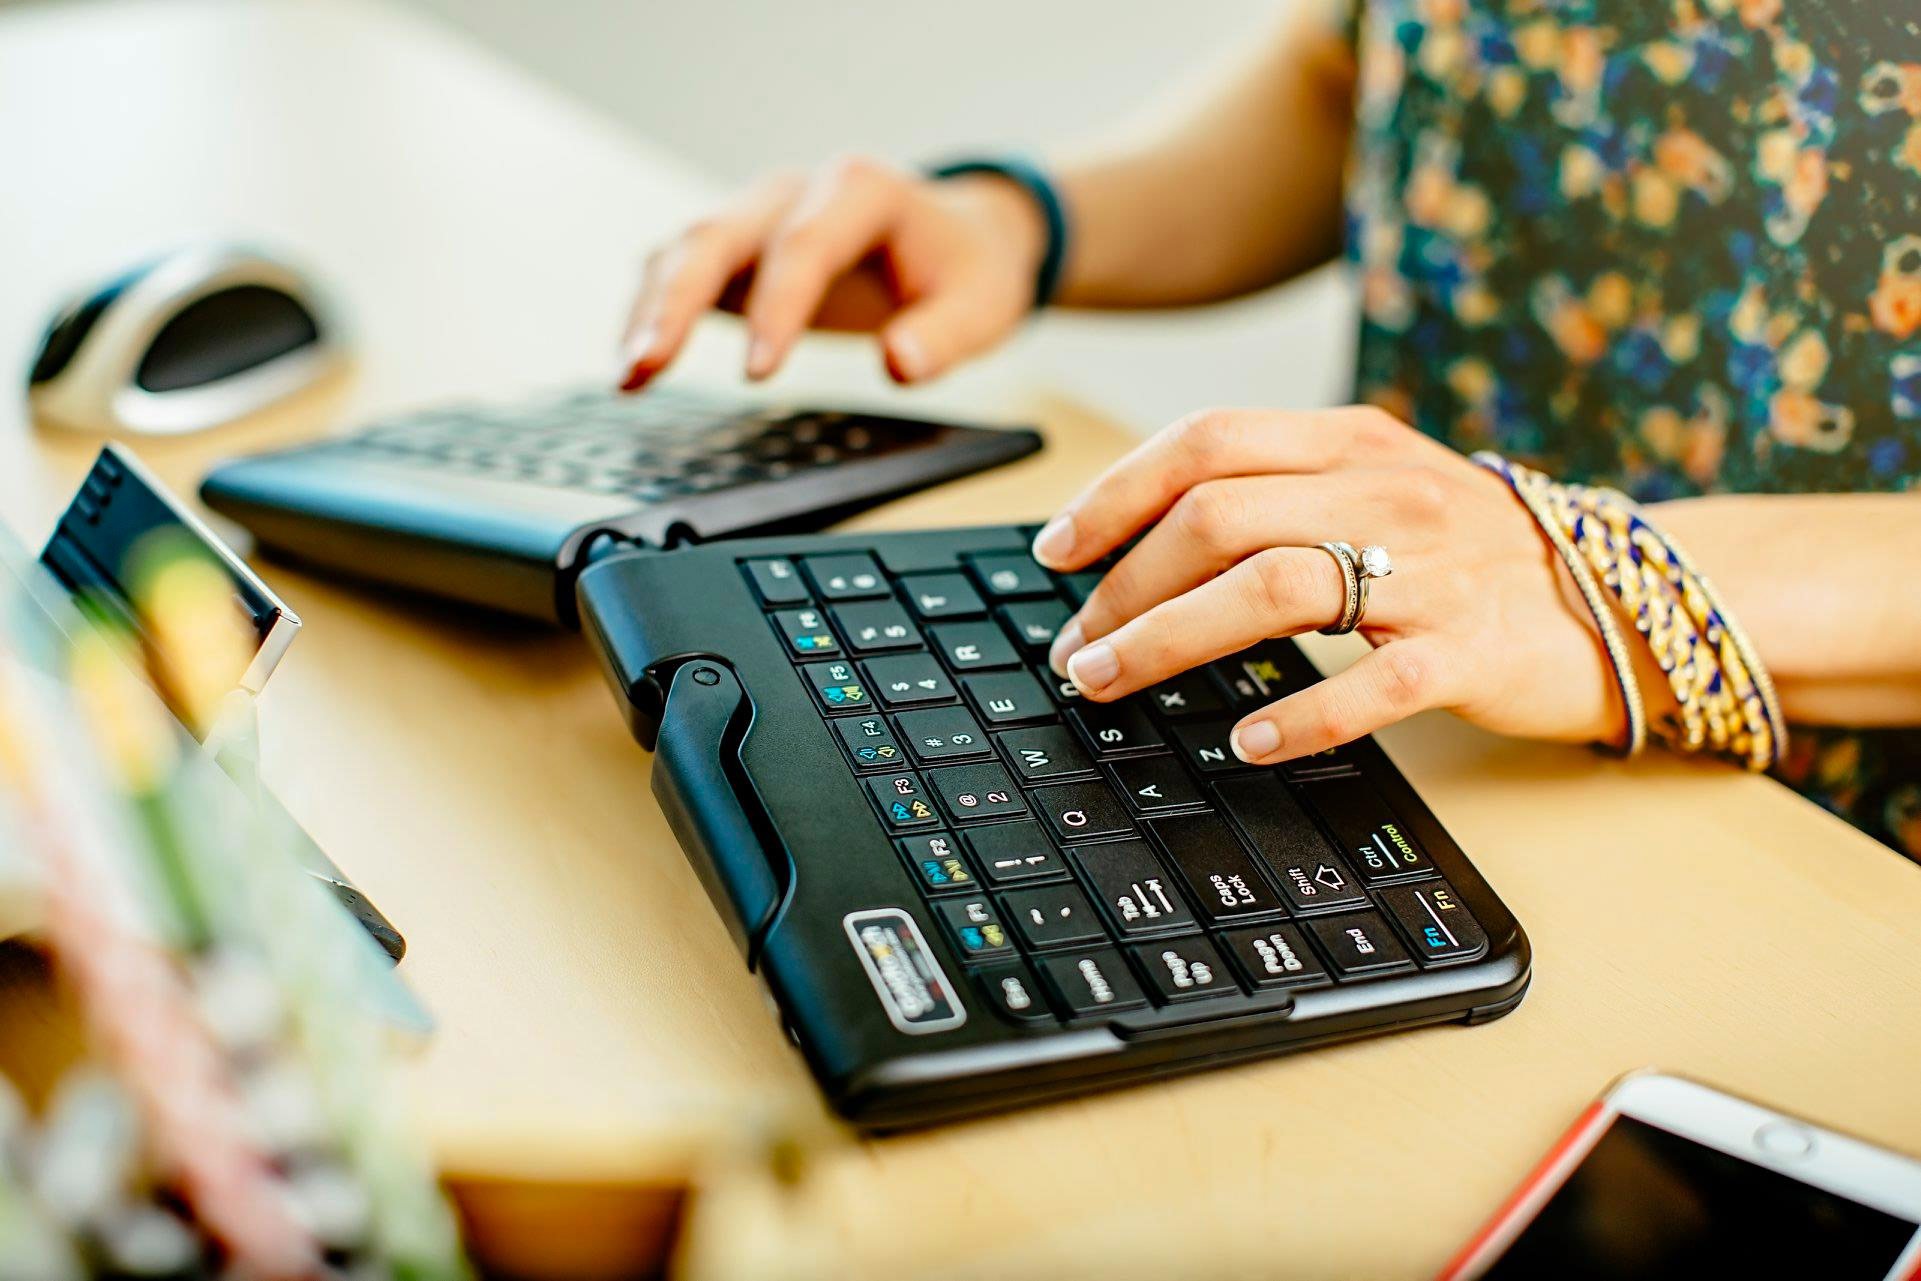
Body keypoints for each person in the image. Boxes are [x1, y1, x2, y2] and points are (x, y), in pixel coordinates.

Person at [615, 1, 1921, 861]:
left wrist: (1583, 574)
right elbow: (1362, 69)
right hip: (1419, 726)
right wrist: (1017, 223)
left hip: (1832, 864)